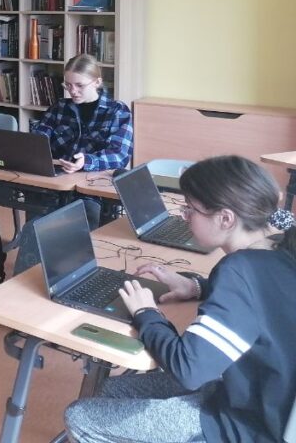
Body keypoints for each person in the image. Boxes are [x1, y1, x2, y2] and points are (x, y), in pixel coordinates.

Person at [64, 155, 296, 443]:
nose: (184, 216)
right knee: (108, 391)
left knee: (79, 416)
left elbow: (188, 369)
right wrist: (197, 287)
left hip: (246, 425)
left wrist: (147, 313)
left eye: (190, 209)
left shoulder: (238, 270)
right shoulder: (280, 246)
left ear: (225, 218)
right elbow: (261, 300)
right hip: (261, 397)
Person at [31, 53, 134, 225]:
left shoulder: (117, 111)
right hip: (56, 184)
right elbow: (39, 139)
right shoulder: (60, 107)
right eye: (68, 85)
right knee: (36, 224)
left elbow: (119, 155)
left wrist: (87, 161)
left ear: (97, 82)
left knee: (76, 224)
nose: (73, 91)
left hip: (93, 192)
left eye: (79, 85)